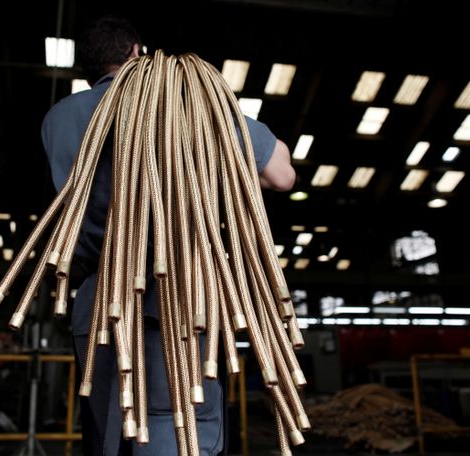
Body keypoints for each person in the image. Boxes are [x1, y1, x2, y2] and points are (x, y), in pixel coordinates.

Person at [40, 15, 295, 456]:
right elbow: (281, 175)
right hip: (182, 300)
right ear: (137, 52)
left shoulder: (59, 118)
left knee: (110, 437)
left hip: (98, 305)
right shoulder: (188, 103)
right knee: (176, 431)